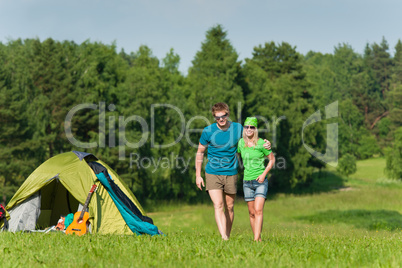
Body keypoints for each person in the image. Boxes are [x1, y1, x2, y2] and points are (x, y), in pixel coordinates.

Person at [195, 103, 271, 240]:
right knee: (218, 204)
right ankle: (224, 238)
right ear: (214, 118)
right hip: (212, 172)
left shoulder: (237, 128)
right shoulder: (208, 131)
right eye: (218, 117)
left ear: (228, 114)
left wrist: (266, 143)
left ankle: (228, 235)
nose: (221, 119)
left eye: (223, 116)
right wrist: (197, 175)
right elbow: (200, 152)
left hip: (231, 173)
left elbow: (251, 138)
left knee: (229, 207)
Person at [237, 117, 275, 241]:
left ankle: (256, 240)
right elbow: (235, 154)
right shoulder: (241, 143)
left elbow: (272, 160)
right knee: (252, 213)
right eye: (247, 127)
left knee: (258, 210)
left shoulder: (261, 144)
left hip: (260, 181)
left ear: (255, 129)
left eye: (252, 127)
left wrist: (264, 174)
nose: (249, 129)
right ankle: (257, 238)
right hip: (246, 181)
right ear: (244, 128)